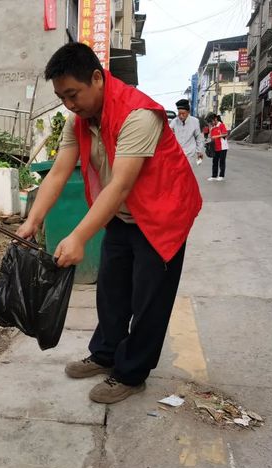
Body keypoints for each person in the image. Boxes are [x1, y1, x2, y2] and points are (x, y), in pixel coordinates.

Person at [17, 43, 202, 404]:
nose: (69, 104)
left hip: (162, 215)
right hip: (124, 215)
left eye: (73, 94)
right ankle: (104, 353)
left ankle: (131, 373)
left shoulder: (138, 114)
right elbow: (58, 172)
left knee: (149, 300)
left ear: (98, 79)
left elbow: (119, 185)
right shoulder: (80, 121)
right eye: (62, 97)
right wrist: (32, 221)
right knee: (112, 290)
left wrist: (78, 237)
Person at [169, 98, 205, 166]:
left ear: (188, 112)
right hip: (177, 153)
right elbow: (168, 132)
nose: (181, 116)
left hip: (189, 154)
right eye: (179, 113)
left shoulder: (195, 121)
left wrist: (199, 151)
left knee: (187, 174)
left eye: (183, 113)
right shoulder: (174, 121)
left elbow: (198, 137)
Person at [207, 113, 228, 181]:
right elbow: (211, 137)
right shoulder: (213, 127)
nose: (211, 123)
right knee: (215, 161)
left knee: (221, 162)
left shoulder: (221, 125)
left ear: (215, 119)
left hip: (223, 147)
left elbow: (225, 133)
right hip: (215, 147)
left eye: (211, 121)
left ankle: (221, 176)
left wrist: (216, 136)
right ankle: (214, 176)